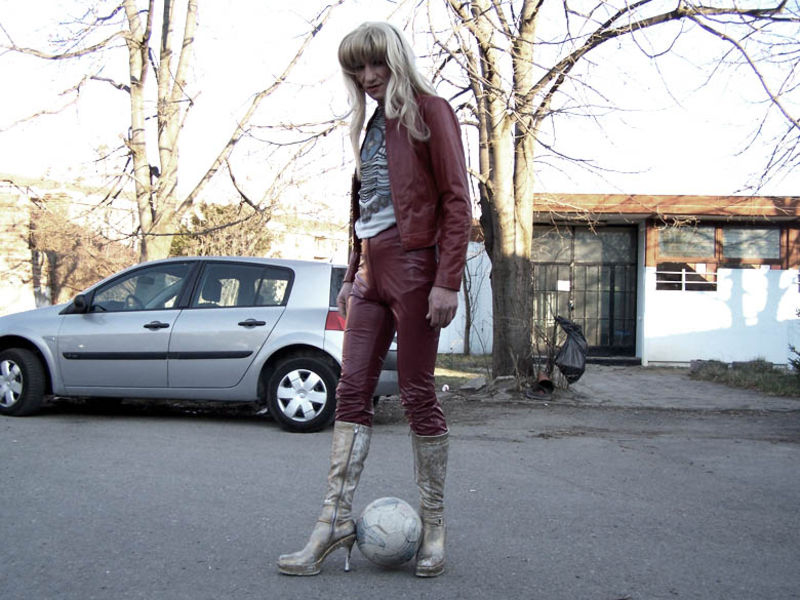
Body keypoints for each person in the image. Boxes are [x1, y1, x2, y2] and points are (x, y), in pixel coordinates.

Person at [277, 21, 471, 578]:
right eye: (357, 68)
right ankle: (332, 523)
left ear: (397, 60)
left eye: (376, 64)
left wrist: (447, 280)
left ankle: (434, 526)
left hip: (416, 268)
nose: (367, 76)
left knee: (416, 393)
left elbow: (457, 201)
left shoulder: (432, 111)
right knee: (350, 391)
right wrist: (350, 273)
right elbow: (363, 207)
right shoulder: (368, 126)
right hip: (370, 275)